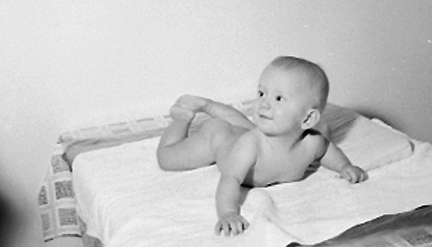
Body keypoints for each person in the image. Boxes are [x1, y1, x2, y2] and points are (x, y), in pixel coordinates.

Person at [156, 56, 368, 236]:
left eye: (278, 98)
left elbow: (328, 150)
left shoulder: (312, 143)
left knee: (243, 126)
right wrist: (228, 213)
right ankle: (182, 118)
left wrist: (344, 166)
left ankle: (208, 106)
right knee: (167, 159)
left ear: (308, 119)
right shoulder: (250, 145)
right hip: (220, 139)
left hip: (245, 132)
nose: (263, 103)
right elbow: (230, 179)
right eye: (261, 93)